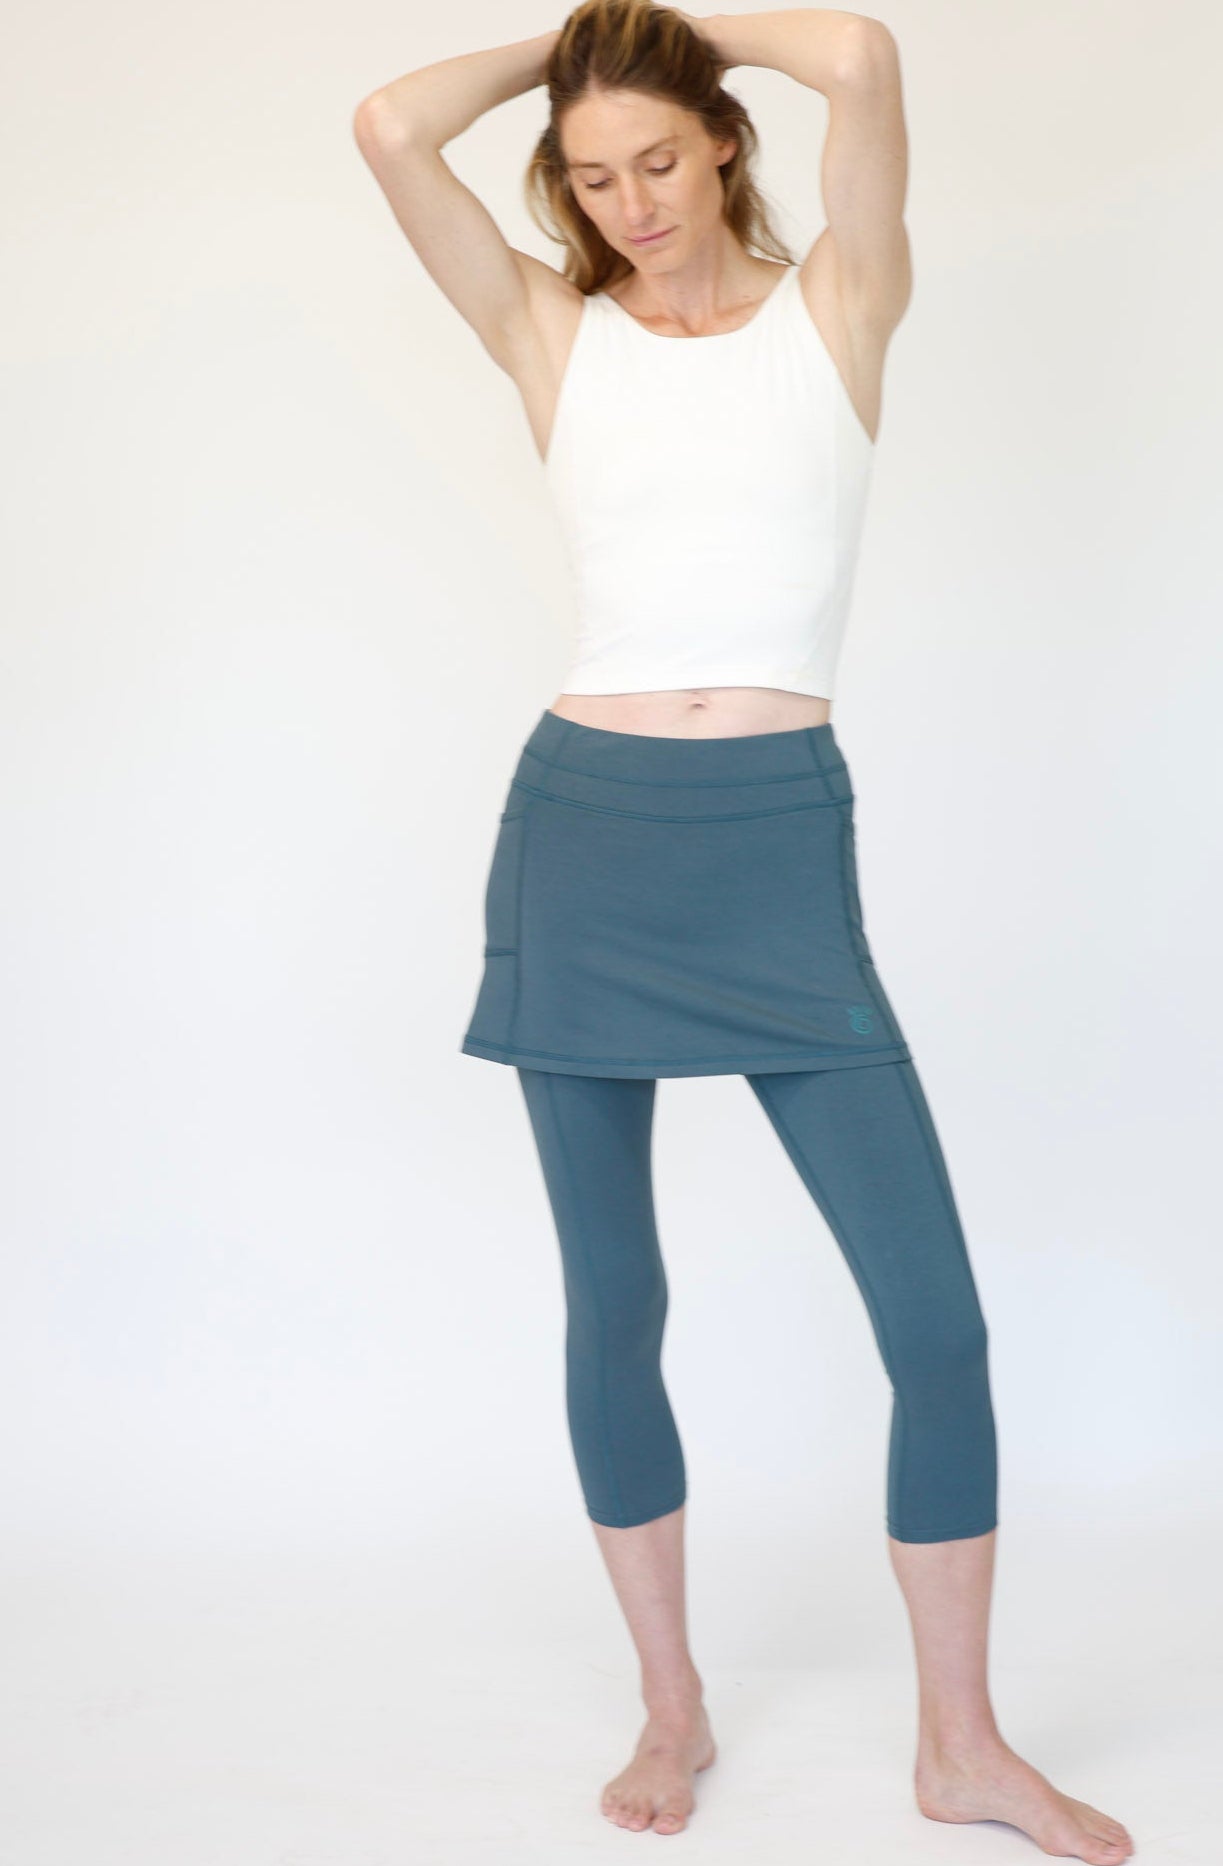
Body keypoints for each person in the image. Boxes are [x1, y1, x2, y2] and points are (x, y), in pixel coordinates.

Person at [352, 5, 1133, 1860]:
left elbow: (860, 59)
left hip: (776, 842)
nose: (626, 201)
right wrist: (567, 44)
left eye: (659, 159)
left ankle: (960, 1743)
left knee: (934, 1328)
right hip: (584, 841)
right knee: (615, 1302)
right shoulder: (549, 332)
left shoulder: (841, 310)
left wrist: (668, 23)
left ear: (723, 145)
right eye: (590, 172)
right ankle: (671, 1701)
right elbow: (389, 126)